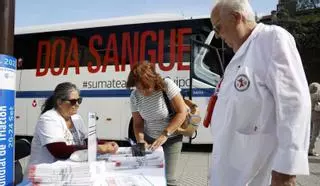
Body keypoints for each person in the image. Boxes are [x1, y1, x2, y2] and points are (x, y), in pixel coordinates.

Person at [209, 0, 311, 185]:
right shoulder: (240, 55)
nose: (217, 35)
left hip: (257, 173)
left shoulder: (272, 39)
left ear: (236, 17)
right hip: (232, 171)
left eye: (218, 27)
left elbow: (294, 103)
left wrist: (285, 171)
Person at [27, 82, 119, 172]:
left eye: (79, 100)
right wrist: (97, 148)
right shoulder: (48, 118)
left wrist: (106, 144)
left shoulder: (76, 118)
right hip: (43, 175)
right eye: (73, 101)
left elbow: (88, 140)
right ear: (59, 102)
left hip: (68, 171)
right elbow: (60, 151)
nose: (77, 104)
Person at [126, 61, 187, 186]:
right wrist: (141, 141)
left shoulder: (166, 86)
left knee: (169, 179)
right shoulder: (134, 96)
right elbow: (138, 123)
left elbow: (182, 112)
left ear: (153, 80)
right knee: (146, 176)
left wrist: (165, 134)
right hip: (149, 139)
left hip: (171, 138)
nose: (142, 92)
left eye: (146, 87)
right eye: (138, 88)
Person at [309, 82, 320, 156]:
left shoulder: (309, 95)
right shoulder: (317, 95)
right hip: (317, 115)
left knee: (310, 133)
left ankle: (307, 148)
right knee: (315, 134)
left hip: (310, 114)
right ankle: (311, 150)